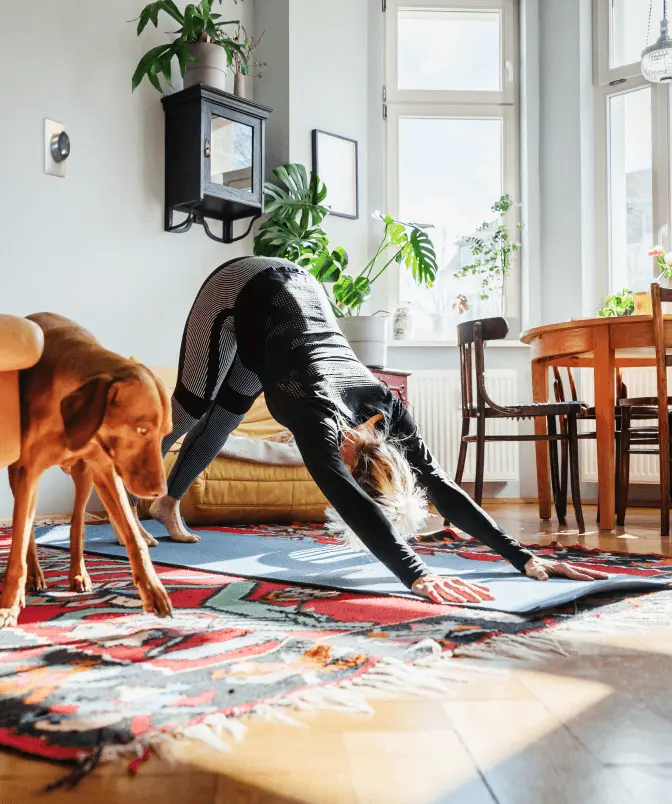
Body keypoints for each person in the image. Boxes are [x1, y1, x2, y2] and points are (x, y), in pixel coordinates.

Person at [129, 257, 607, 604]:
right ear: (352, 464)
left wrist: (522, 557)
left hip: (280, 327)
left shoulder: (389, 410)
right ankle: (125, 487)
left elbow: (440, 487)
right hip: (240, 289)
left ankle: (168, 501)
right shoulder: (318, 418)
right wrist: (417, 576)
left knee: (228, 415)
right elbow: (354, 505)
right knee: (191, 409)